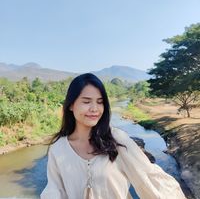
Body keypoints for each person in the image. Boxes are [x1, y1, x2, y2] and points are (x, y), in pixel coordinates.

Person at [40, 73, 186, 199]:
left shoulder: (117, 139)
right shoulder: (58, 149)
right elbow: (54, 191)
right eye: (86, 101)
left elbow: (148, 177)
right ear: (71, 105)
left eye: (100, 102)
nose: (94, 109)